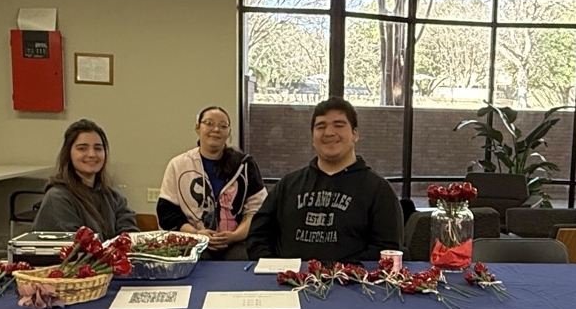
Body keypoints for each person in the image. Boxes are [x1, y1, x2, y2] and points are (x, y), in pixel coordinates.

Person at [248, 98, 404, 263]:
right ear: (312, 137)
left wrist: (341, 275)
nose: (329, 132)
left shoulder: (379, 190)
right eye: (320, 126)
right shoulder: (287, 185)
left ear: (355, 134)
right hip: (287, 283)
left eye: (339, 125)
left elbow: (387, 250)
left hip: (352, 285)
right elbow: (258, 237)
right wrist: (275, 270)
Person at [157, 106, 268, 261]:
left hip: (237, 243)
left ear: (229, 132)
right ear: (197, 128)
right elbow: (166, 213)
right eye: (209, 123)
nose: (216, 129)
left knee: (239, 263)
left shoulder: (245, 165)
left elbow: (257, 211)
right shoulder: (178, 165)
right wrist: (196, 234)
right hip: (193, 241)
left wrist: (235, 235)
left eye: (223, 126)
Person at [33, 119, 140, 239]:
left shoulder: (115, 198)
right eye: (82, 148)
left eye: (98, 148)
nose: (92, 154)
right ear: (68, 153)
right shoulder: (57, 199)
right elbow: (75, 249)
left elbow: (129, 236)